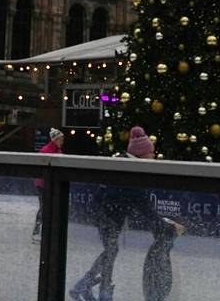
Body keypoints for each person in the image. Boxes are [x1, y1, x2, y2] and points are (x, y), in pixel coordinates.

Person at [69, 126, 179, 301]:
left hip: (108, 215)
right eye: (151, 153)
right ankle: (96, 288)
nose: (154, 155)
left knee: (111, 250)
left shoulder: (126, 165)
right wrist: (162, 225)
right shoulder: (130, 172)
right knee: (111, 250)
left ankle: (91, 286)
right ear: (141, 154)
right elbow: (143, 205)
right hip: (107, 216)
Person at [32, 127, 65, 241]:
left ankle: (47, 231)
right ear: (55, 140)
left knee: (50, 207)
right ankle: (37, 231)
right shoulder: (45, 150)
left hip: (52, 183)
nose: (62, 141)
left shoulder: (58, 151)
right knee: (44, 207)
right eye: (61, 139)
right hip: (42, 184)